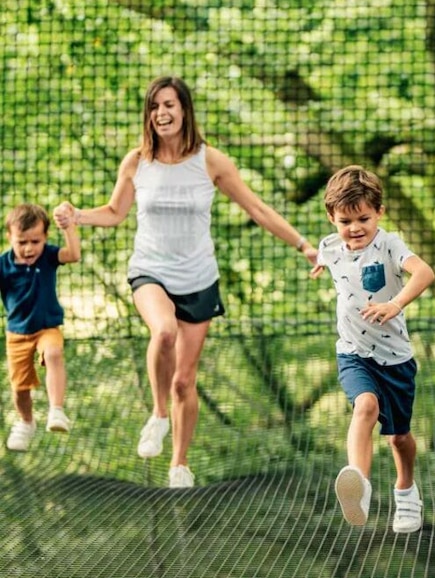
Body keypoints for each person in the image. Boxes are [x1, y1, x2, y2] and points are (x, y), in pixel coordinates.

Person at [53, 75, 317, 488]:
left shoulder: (211, 162)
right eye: (154, 106)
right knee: (164, 332)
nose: (161, 113)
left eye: (169, 105)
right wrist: (77, 216)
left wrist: (304, 246)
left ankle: (179, 463)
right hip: (150, 271)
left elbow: (258, 209)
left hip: (198, 279)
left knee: (183, 381)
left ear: (184, 110)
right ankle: (158, 415)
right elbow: (115, 212)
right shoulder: (137, 162)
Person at [311, 165, 435, 533]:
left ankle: (406, 490)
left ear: (379, 212)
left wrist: (395, 304)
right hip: (353, 353)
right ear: (332, 218)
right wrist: (317, 264)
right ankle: (359, 485)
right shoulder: (330, 247)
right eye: (345, 221)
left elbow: (425, 273)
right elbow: (323, 255)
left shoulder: (389, 244)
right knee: (365, 406)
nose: (355, 228)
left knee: (398, 437)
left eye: (363, 218)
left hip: (394, 359)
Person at [1, 204, 81, 451]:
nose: (29, 248)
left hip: (47, 328)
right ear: (9, 237)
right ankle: (26, 422)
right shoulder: (3, 265)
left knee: (54, 353)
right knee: (20, 389)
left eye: (35, 241)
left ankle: (56, 410)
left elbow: (73, 254)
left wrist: (68, 226)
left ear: (45, 237)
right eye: (22, 242)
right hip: (17, 334)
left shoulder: (47, 256)